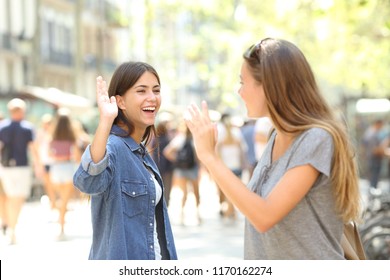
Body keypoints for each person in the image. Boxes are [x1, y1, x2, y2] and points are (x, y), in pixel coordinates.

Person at [184, 38, 361, 259]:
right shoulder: (275, 136)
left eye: (242, 82)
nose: (240, 92)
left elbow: (265, 216)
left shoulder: (316, 138)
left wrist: (210, 157)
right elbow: (253, 206)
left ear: (269, 86)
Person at [73, 61, 177, 260]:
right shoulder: (114, 147)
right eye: (141, 91)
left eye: (156, 90)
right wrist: (105, 120)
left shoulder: (141, 153)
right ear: (120, 102)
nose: (152, 98)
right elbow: (88, 182)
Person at [0, 98, 43, 244]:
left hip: (6, 167)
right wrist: (38, 165)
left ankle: (9, 224)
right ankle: (12, 227)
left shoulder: (2, 127)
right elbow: (33, 148)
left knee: (11, 196)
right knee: (18, 197)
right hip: (22, 166)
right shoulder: (27, 128)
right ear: (21, 111)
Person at [49, 108, 81, 238]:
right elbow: (78, 157)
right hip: (68, 167)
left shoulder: (52, 138)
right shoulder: (72, 138)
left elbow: (49, 155)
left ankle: (61, 224)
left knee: (60, 199)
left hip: (56, 169)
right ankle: (62, 228)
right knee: (65, 200)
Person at [163, 123, 201, 224]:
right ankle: (197, 213)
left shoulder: (180, 138)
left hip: (182, 169)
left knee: (184, 192)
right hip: (192, 168)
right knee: (196, 191)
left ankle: (182, 213)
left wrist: (178, 160)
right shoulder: (195, 139)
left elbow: (167, 152)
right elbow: (199, 156)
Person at [216, 113, 246, 219]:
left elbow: (216, 149)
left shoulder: (219, 131)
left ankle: (229, 211)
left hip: (224, 166)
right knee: (234, 191)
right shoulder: (236, 132)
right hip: (236, 165)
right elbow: (243, 149)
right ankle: (232, 211)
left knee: (227, 191)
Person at [35, 113, 56, 209]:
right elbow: (36, 147)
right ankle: (53, 202)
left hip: (54, 162)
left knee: (55, 183)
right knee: (47, 183)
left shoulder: (55, 133)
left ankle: (55, 201)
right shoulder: (40, 133)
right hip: (44, 161)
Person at [151, 120, 175, 206]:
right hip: (168, 167)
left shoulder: (155, 139)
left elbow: (152, 152)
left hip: (158, 166)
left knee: (159, 186)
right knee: (167, 187)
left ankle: (160, 204)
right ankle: (166, 204)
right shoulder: (167, 139)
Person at [362, 119, 385, 189]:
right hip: (374, 157)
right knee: (374, 176)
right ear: (378, 124)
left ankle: (372, 189)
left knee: (372, 175)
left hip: (371, 157)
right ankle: (373, 190)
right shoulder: (373, 133)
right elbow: (374, 149)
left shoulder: (369, 132)